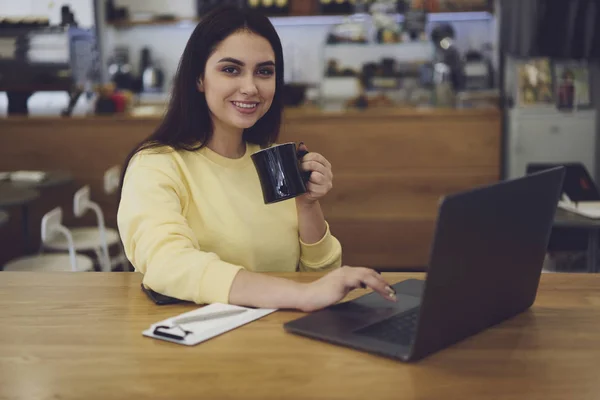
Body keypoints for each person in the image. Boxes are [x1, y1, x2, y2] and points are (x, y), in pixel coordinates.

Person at [117, 6, 397, 312]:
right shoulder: (157, 164)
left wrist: (307, 204)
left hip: (279, 339)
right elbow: (167, 264)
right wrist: (300, 296)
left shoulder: (270, 159)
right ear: (199, 78)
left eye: (264, 71)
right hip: (191, 350)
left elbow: (318, 279)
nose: (251, 88)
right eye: (231, 69)